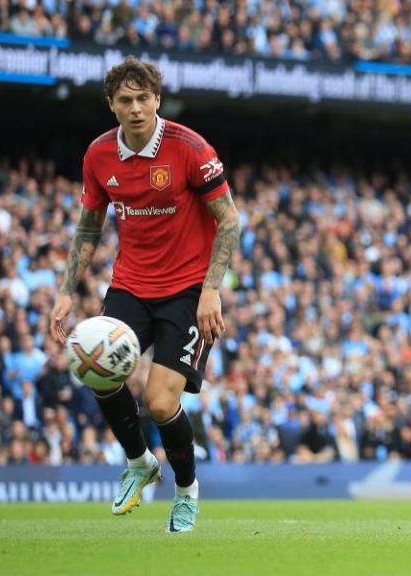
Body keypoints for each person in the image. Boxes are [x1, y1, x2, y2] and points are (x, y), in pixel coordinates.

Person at [49, 56, 240, 533]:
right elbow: (90, 226)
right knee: (94, 369)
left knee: (158, 402)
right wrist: (66, 291)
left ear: (157, 99)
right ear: (112, 105)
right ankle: (139, 462)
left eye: (143, 98)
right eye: (125, 100)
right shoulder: (98, 155)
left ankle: (186, 492)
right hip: (131, 285)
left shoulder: (189, 148)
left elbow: (229, 220)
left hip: (188, 290)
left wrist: (211, 291)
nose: (135, 108)